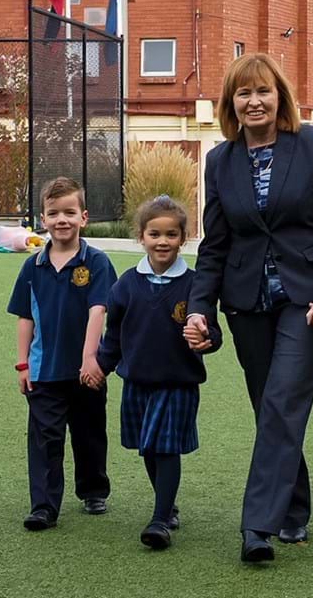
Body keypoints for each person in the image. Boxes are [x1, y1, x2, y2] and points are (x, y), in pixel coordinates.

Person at [183, 53, 313, 562]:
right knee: (270, 408)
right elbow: (215, 243)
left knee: (281, 402)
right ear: (230, 104)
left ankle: (257, 525)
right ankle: (294, 509)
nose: (254, 102)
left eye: (263, 91)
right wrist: (199, 308)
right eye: (243, 94)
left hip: (307, 302)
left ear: (280, 96)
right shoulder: (220, 160)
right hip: (246, 303)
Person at [94, 195, 222, 550]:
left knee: (165, 448)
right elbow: (115, 335)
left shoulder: (197, 285)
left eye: (170, 234)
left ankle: (160, 519)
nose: (162, 241)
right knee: (147, 448)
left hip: (177, 382)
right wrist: (100, 367)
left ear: (183, 237)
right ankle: (169, 506)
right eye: (155, 234)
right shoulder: (126, 284)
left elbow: (214, 333)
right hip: (137, 381)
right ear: (141, 237)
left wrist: (206, 339)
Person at [6, 176, 117, 530]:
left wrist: (91, 360)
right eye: (54, 213)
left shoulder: (96, 262)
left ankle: (93, 490)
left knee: (89, 434)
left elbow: (98, 310)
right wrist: (23, 363)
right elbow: (25, 317)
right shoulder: (32, 267)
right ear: (43, 219)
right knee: (44, 439)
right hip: (44, 371)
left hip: (86, 371)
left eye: (70, 212)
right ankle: (44, 505)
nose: (62, 220)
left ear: (84, 217)